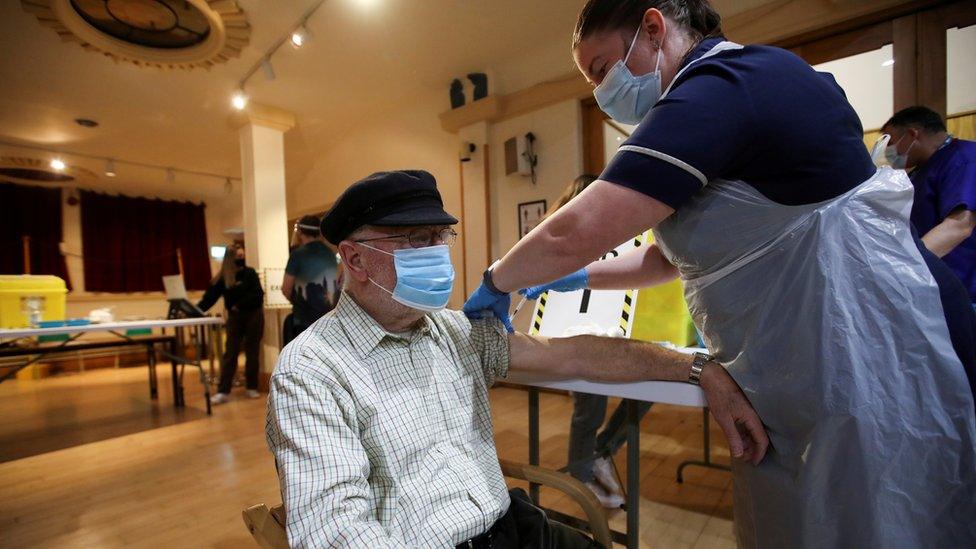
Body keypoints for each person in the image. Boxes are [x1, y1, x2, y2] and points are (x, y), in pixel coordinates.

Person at [463, 1, 976, 547]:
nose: (601, 89)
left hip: (881, 334)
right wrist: (575, 278)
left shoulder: (730, 82)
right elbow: (668, 259)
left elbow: (577, 227)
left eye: (601, 68)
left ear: (654, 28)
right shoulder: (705, 121)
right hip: (814, 346)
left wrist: (500, 278)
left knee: (892, 514)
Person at [265, 170, 767, 548]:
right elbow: (336, 534)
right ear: (354, 259)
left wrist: (692, 366)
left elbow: (572, 355)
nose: (437, 254)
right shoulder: (313, 370)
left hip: (512, 527)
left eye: (440, 238)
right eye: (414, 241)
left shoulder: (451, 332)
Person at [881, 106, 976, 303]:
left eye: (890, 141)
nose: (888, 150)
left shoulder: (965, 159)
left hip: (965, 286)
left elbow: (960, 225)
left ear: (911, 134)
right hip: (932, 283)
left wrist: (905, 266)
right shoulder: (921, 170)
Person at [198, 243, 264, 404]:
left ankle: (252, 387)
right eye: (238, 257)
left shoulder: (250, 273)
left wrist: (238, 304)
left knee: (252, 352)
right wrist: (195, 310)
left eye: (242, 256)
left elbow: (257, 295)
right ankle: (223, 391)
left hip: (253, 316)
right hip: (235, 318)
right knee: (230, 353)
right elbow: (209, 298)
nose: (241, 259)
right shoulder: (223, 277)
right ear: (230, 258)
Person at [281, 215, 338, 345]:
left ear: (300, 232)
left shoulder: (297, 255)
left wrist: (297, 301)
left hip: (304, 319)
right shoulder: (330, 254)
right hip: (328, 318)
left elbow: (286, 288)